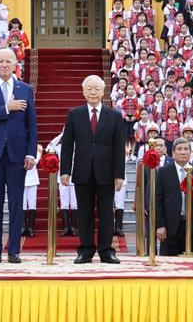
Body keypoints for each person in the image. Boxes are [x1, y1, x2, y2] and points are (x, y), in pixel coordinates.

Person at [0, 49, 37, 264]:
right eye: (0, 61)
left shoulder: (25, 89)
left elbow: (32, 124)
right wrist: (6, 108)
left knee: (16, 204)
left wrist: (31, 153)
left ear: (15, 64)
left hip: (17, 155)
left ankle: (13, 250)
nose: (4, 65)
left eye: (8, 61)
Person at [60, 75, 125, 264]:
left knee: (106, 213)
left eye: (97, 89)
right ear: (83, 92)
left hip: (106, 172)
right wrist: (65, 170)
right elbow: (67, 145)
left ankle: (106, 251)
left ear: (103, 92)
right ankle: (85, 250)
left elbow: (119, 146)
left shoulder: (114, 115)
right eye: (89, 89)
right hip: (82, 171)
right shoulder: (74, 114)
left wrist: (119, 174)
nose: (93, 92)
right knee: (84, 213)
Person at [155, 137, 193, 256]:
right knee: (168, 263)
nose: (183, 152)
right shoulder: (164, 172)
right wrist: (160, 225)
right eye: (179, 149)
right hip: (170, 226)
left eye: (185, 149)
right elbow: (158, 200)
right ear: (172, 152)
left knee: (192, 262)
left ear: (190, 152)